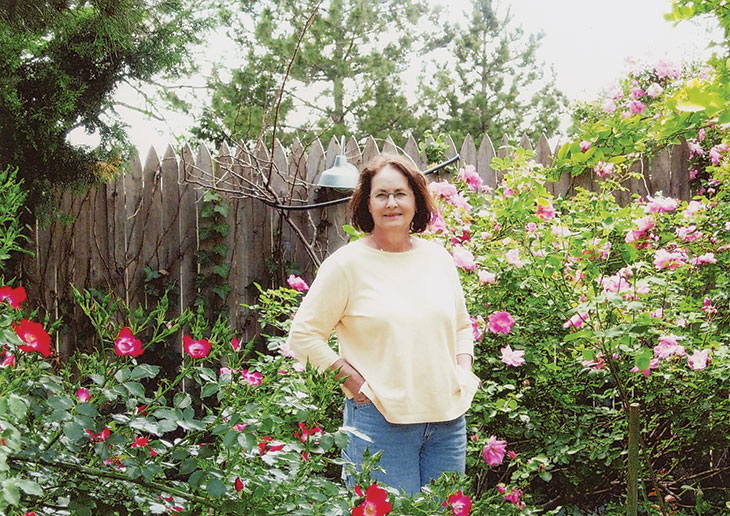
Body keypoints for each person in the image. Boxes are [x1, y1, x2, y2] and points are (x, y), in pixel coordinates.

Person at [285, 153, 480, 496]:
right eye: (381, 195)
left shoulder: (437, 259)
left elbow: (462, 328)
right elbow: (304, 334)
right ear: (368, 204)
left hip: (447, 424)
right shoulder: (347, 265)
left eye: (401, 193)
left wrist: (462, 374)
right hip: (381, 422)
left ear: (416, 200)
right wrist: (356, 384)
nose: (392, 203)